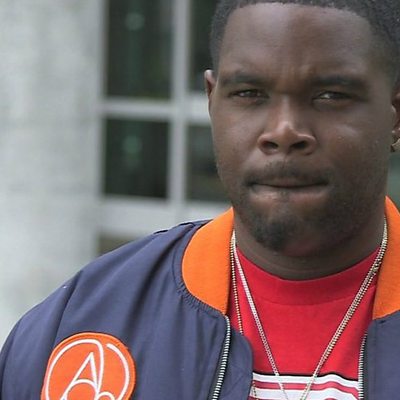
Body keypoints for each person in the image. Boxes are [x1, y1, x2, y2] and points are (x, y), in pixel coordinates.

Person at [1, 0, 400, 399]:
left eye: (330, 95)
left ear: (395, 113)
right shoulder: (78, 326)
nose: (283, 131)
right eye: (249, 93)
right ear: (212, 101)